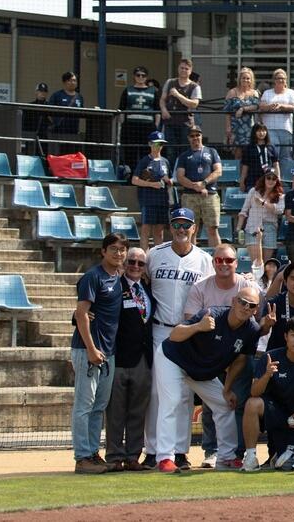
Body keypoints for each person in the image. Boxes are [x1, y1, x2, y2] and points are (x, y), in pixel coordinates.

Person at [154, 285, 262, 472]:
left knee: (224, 403)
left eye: (251, 306)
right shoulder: (211, 314)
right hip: (173, 359)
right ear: (233, 302)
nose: (246, 307)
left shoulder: (252, 329)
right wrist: (198, 327)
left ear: (256, 310)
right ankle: (165, 458)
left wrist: (227, 389)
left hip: (200, 371)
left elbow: (240, 361)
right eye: (243, 302)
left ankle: (227, 457)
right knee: (172, 401)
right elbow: (174, 335)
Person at [143, 207, 214, 470]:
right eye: (177, 225)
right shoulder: (155, 254)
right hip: (160, 329)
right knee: (156, 392)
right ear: (170, 227)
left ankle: (180, 451)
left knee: (184, 394)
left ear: (195, 228)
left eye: (186, 225)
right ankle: (153, 450)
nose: (181, 230)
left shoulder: (204, 259)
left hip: (189, 331)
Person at [183, 242, 259, 464]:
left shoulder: (246, 284)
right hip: (208, 355)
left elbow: (257, 313)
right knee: (210, 405)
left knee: (238, 403)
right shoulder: (201, 287)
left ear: (236, 263)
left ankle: (237, 453)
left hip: (239, 354)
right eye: (219, 260)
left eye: (229, 260)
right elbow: (190, 321)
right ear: (213, 262)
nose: (224, 264)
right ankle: (211, 451)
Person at [71, 233, 127, 474]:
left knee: (98, 406)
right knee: (84, 405)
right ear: (103, 251)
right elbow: (81, 313)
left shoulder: (118, 277)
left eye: (122, 249)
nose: (118, 253)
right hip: (88, 350)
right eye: (113, 249)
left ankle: (93, 453)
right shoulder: (93, 277)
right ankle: (82, 457)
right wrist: (92, 349)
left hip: (108, 352)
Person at [241, 316, 294, 471]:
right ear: (285, 337)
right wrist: (266, 375)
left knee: (292, 464)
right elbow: (254, 392)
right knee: (252, 404)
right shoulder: (270, 357)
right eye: (293, 335)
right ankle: (251, 457)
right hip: (276, 413)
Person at [103, 247, 153, 472]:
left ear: (145, 268)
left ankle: (133, 456)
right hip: (119, 358)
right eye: (131, 262)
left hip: (143, 359)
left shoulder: (148, 290)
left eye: (140, 264)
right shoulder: (114, 286)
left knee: (137, 410)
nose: (135, 266)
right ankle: (114, 456)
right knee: (115, 411)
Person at [175, 125, 223, 247]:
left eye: (198, 135)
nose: (195, 138)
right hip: (189, 195)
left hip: (210, 195)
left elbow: (218, 171)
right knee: (191, 230)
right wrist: (194, 186)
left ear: (202, 136)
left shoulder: (212, 151)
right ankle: (191, 259)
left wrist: (204, 183)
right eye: (192, 136)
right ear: (188, 138)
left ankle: (217, 259)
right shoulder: (184, 155)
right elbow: (180, 176)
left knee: (212, 229)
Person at [131, 131, 172, 251]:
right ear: (150, 144)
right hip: (148, 200)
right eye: (156, 144)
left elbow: (169, 180)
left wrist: (168, 181)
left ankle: (158, 257)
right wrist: (151, 184)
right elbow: (134, 180)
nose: (158, 147)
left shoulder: (166, 161)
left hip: (162, 200)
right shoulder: (145, 161)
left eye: (161, 144)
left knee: (159, 232)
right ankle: (143, 257)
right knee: (146, 230)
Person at [236, 170, 284, 263]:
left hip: (270, 229)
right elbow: (244, 211)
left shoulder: (280, 195)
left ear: (277, 181)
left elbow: (279, 210)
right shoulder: (253, 191)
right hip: (253, 227)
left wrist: (263, 202)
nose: (271, 181)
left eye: (274, 179)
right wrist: (238, 229)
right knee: (256, 263)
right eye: (268, 178)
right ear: (264, 179)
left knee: (266, 263)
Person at [118, 66, 159, 170]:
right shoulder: (127, 90)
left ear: (146, 77)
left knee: (146, 151)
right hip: (131, 126)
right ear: (134, 76)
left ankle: (144, 174)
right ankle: (131, 175)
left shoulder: (153, 91)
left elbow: (157, 110)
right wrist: (123, 124)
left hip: (148, 126)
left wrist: (156, 126)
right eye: (138, 75)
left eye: (143, 75)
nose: (140, 77)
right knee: (130, 151)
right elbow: (121, 110)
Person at [159, 59, 201, 160]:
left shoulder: (195, 86)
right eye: (182, 68)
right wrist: (163, 110)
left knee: (185, 150)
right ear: (178, 69)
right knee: (170, 151)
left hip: (185, 123)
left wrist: (178, 95)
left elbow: (194, 104)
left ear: (190, 71)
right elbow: (162, 99)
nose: (183, 70)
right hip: (170, 121)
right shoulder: (170, 82)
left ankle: (183, 174)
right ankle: (172, 174)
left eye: (186, 69)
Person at [259, 69, 294, 162]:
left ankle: (285, 176)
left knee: (286, 156)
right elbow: (261, 106)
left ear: (286, 80)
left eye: (283, 78)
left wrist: (281, 106)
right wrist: (270, 106)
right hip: (269, 128)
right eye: (278, 78)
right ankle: (273, 175)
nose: (281, 80)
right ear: (274, 80)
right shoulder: (267, 93)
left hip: (286, 128)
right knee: (272, 155)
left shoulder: (291, 92)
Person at [224, 67, 261, 163]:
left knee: (250, 153)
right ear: (239, 79)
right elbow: (227, 111)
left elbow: (256, 106)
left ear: (251, 80)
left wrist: (243, 108)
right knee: (238, 153)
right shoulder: (232, 92)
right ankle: (237, 176)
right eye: (243, 78)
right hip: (236, 127)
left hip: (250, 128)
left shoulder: (254, 93)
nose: (245, 80)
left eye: (248, 78)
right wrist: (228, 127)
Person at [49, 70, 85, 142]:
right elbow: (49, 112)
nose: (73, 82)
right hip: (58, 132)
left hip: (74, 132)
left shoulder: (79, 97)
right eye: (70, 80)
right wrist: (55, 122)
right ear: (64, 82)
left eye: (75, 80)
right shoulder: (57, 95)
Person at [22, 81, 52, 154]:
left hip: (45, 137)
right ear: (36, 92)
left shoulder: (50, 107)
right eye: (40, 91)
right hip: (31, 137)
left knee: (44, 158)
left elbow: (53, 122)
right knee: (30, 156)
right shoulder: (29, 107)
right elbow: (24, 123)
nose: (42, 94)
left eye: (45, 92)